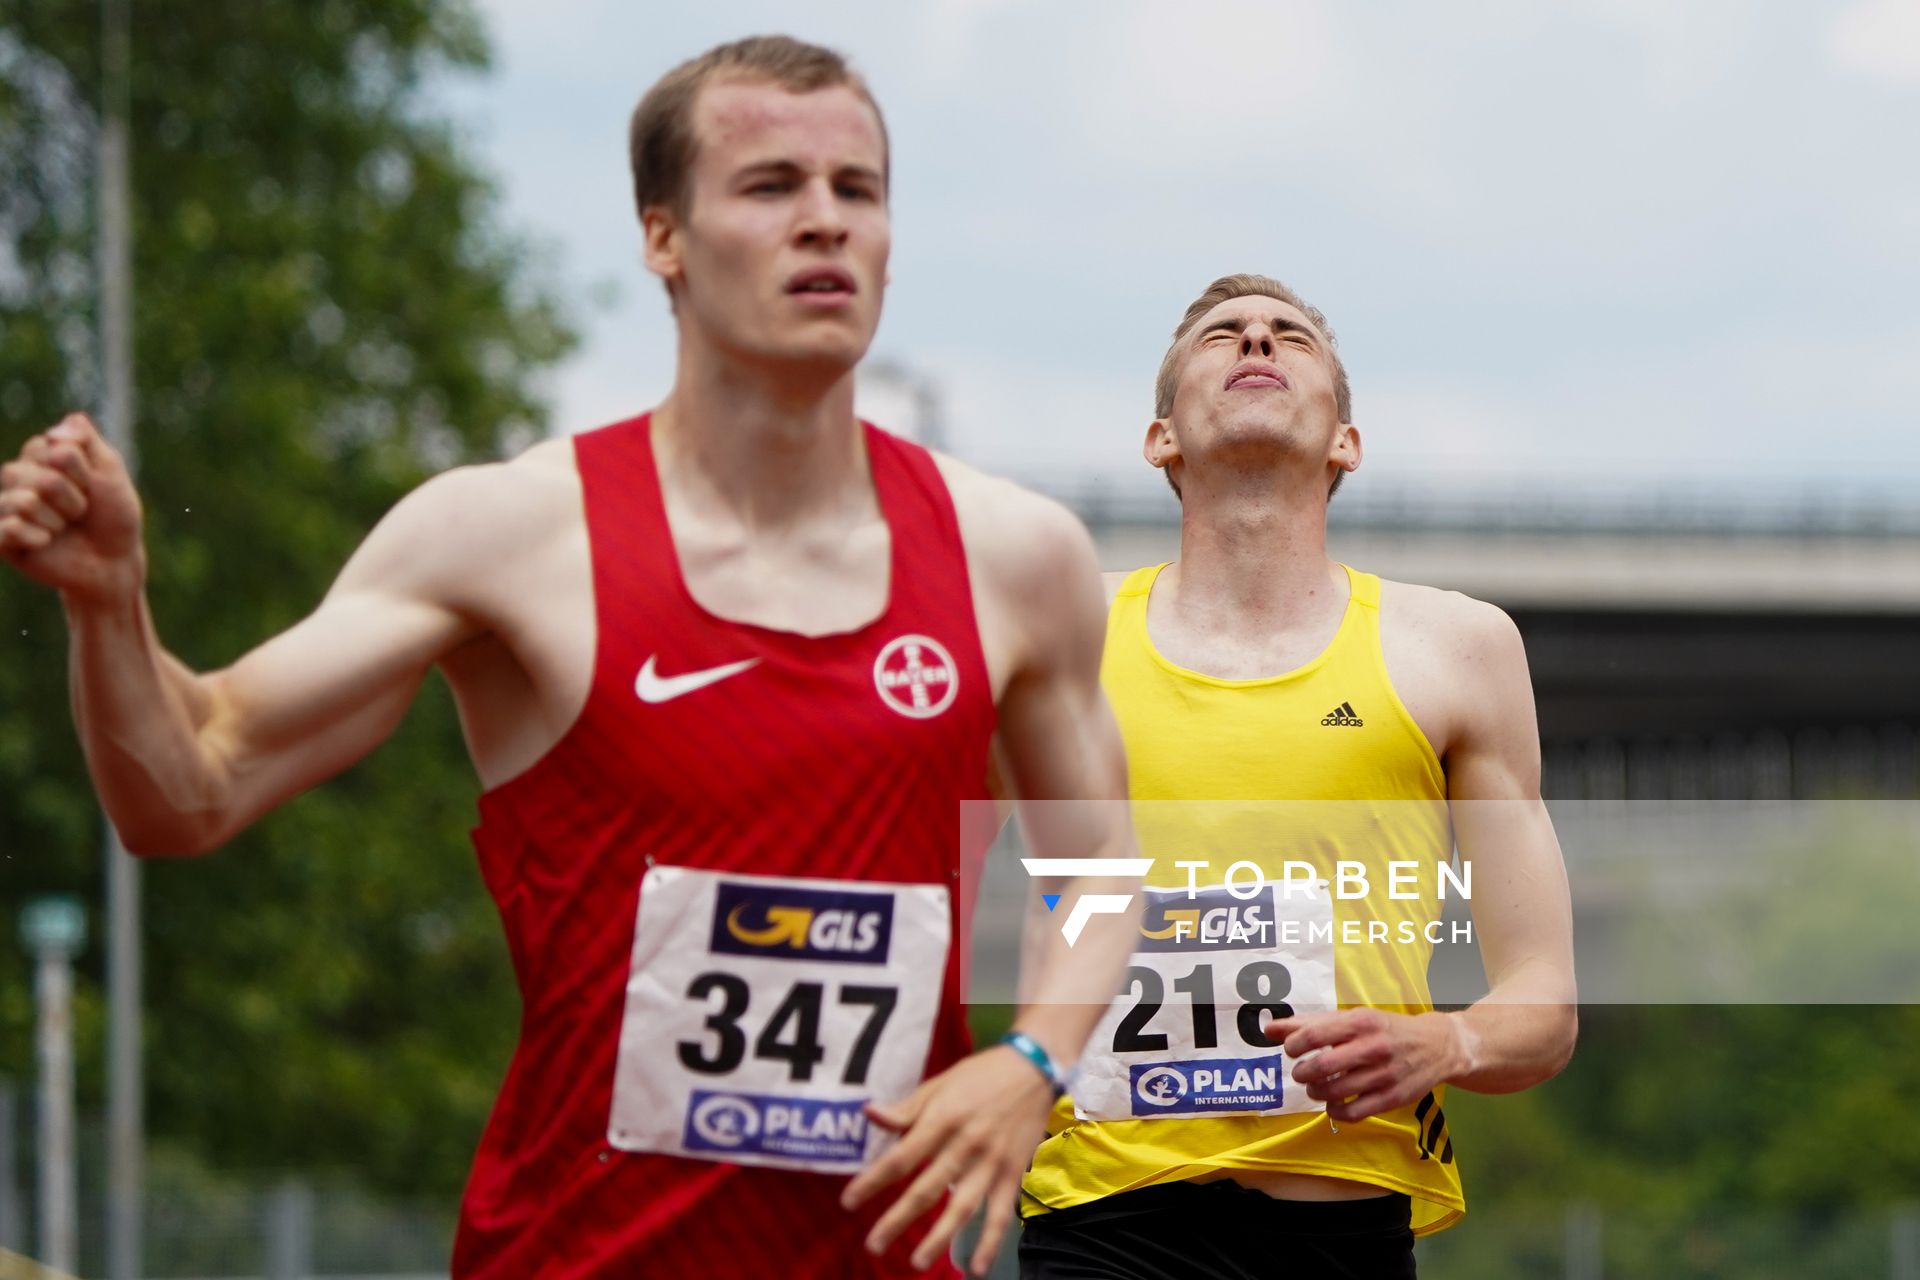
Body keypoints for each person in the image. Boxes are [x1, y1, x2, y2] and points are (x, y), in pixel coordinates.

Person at [0, 36, 1141, 1280]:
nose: (825, 223)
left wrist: (1034, 1061)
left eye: (856, 191)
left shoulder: (1015, 555)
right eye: (771, 186)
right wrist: (111, 603)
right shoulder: (509, 533)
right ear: (663, 235)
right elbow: (190, 783)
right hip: (578, 1255)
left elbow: (1101, 865)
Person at [1016, 274, 1579, 1278]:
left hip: (1344, 1223)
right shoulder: (1059, 634)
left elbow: (1545, 1000)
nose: (1256, 339)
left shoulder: (1455, 648)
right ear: (1161, 439)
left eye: (1290, 336)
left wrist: (1441, 1045)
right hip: (1102, 1213)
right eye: (1221, 335)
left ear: (1345, 443)